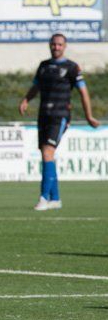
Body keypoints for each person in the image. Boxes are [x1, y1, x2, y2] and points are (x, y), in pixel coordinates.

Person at [19, 33, 99, 211]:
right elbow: (36, 87)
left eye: (60, 45)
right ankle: (55, 198)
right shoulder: (44, 66)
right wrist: (26, 100)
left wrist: (89, 116)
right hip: (43, 115)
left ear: (65, 46)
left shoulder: (72, 68)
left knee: (48, 152)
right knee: (46, 155)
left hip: (60, 116)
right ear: (50, 45)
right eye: (54, 44)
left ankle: (43, 198)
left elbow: (83, 93)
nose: (56, 47)